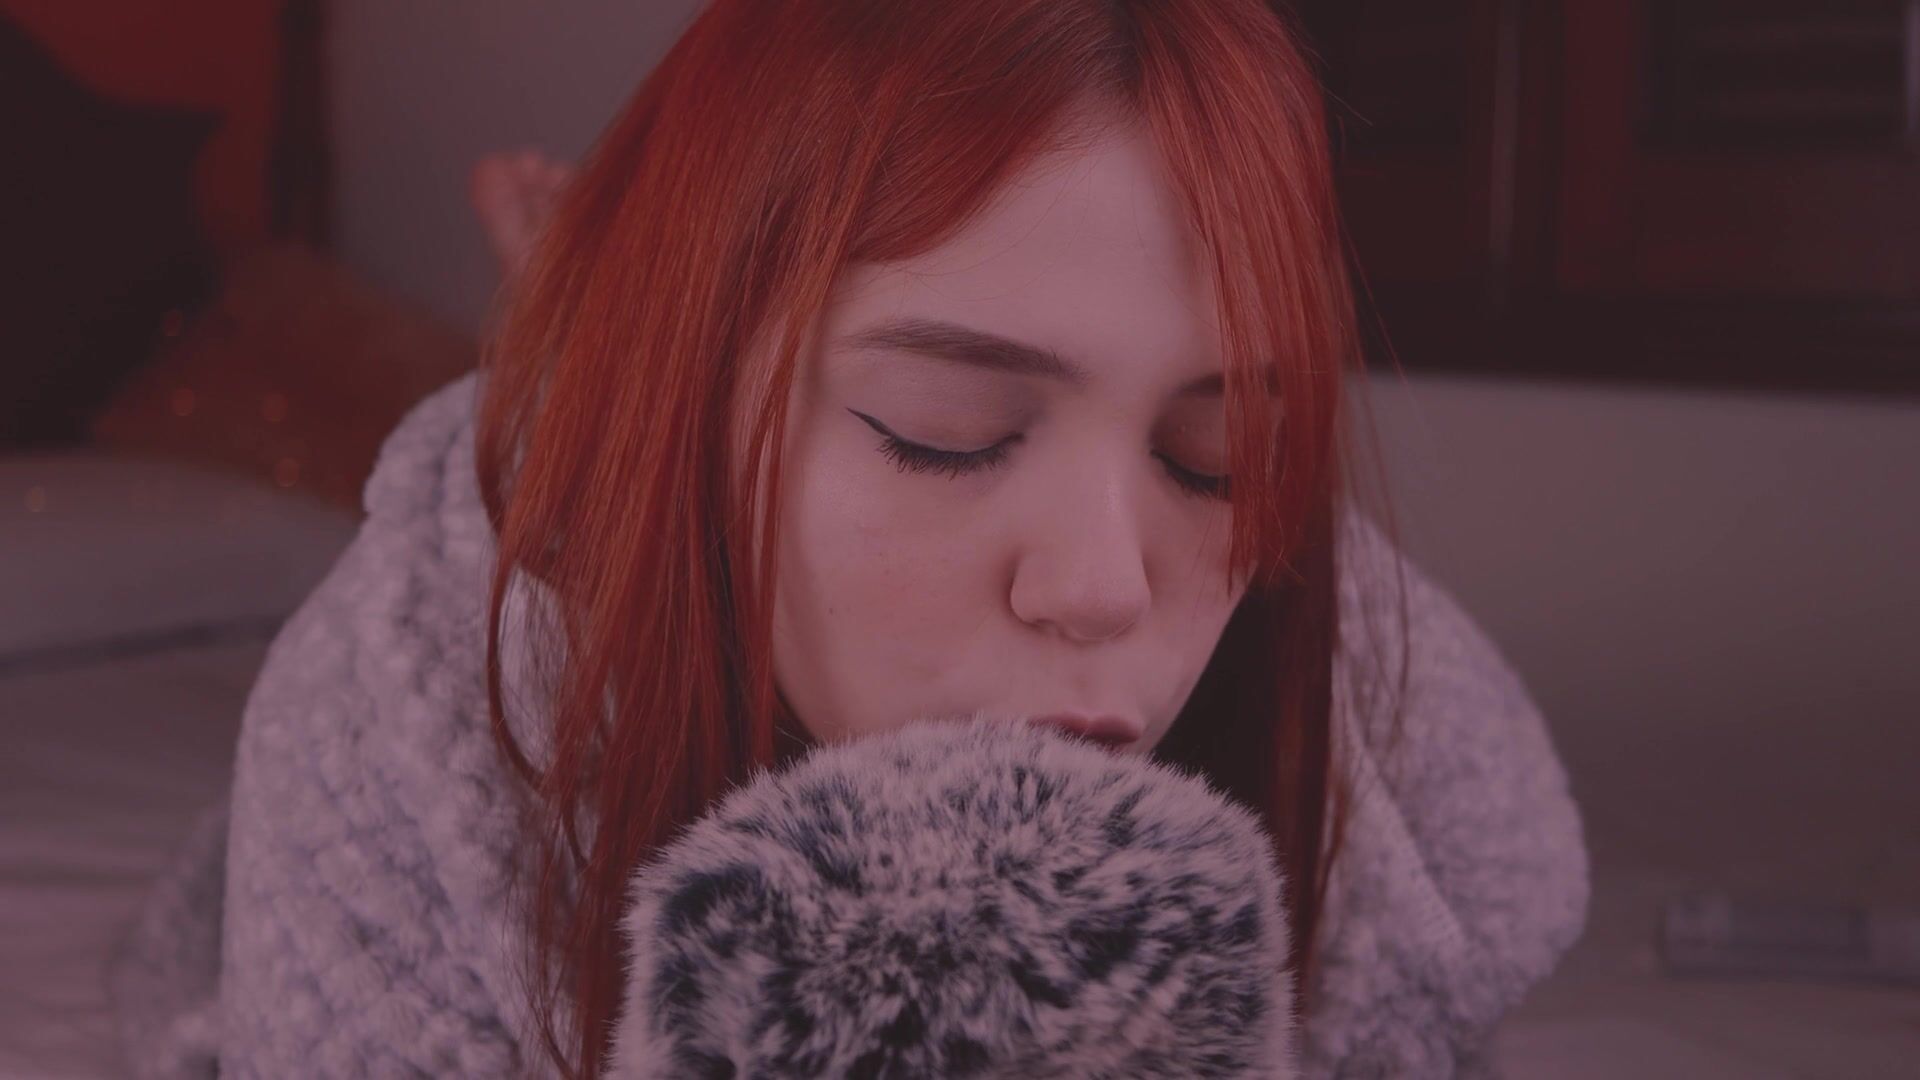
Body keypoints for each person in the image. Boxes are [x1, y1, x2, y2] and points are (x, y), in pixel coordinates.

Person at [108, 3, 1588, 1078]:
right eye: (947, 430)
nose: (1102, 588)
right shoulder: (404, 701)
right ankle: (587, 322)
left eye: (1218, 457)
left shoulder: (1382, 720)